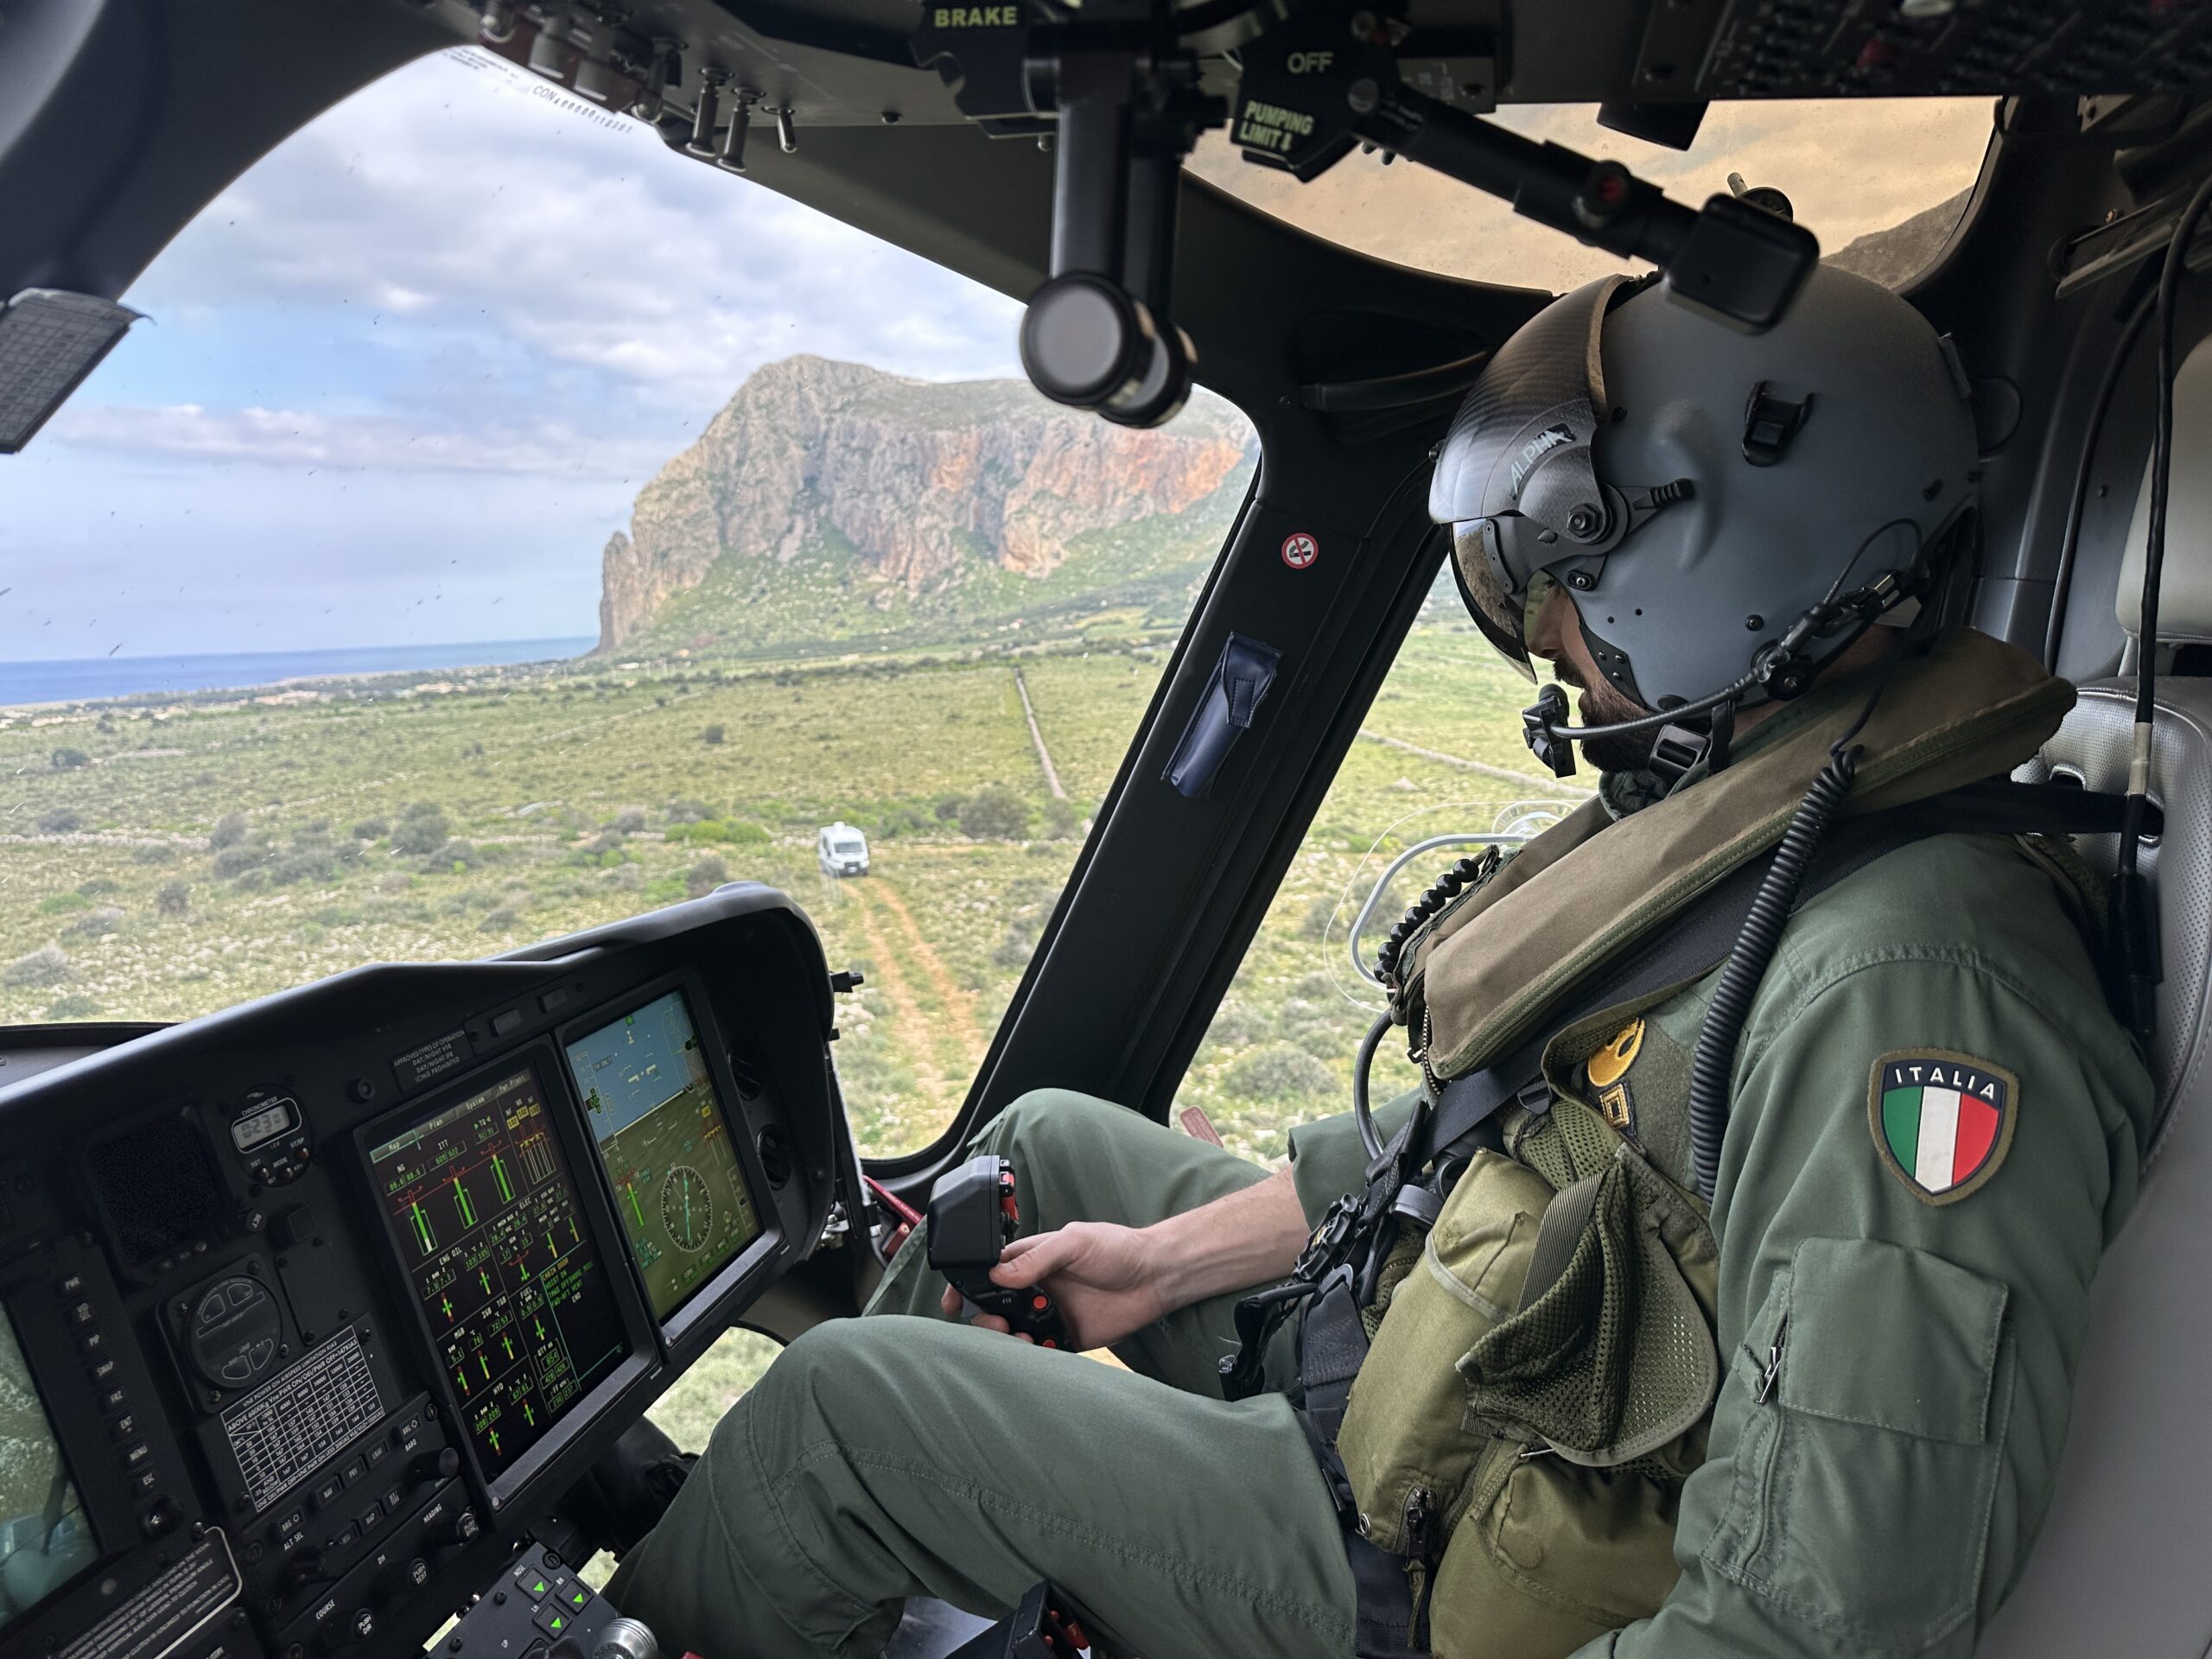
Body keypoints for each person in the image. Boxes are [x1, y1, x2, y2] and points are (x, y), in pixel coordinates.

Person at [607, 265, 2155, 1659]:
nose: (1547, 632)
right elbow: (1518, 1138)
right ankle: (880, 1582)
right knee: (1042, 1148)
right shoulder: (1781, 819)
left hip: (1418, 1571)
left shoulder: (1911, 991)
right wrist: (1159, 1265)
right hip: (1448, 1362)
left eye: (1562, 572)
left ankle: (808, 1539)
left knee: (845, 1418)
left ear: (1712, 555)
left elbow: (1829, 1609)